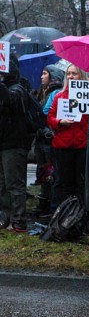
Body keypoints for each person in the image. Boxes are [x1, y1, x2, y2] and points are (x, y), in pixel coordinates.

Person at [46, 64, 89, 213]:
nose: (71, 77)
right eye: (68, 74)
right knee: (65, 183)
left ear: (81, 76)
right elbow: (50, 118)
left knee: (81, 183)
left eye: (74, 74)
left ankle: (79, 216)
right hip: (62, 146)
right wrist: (60, 122)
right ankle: (65, 216)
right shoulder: (59, 96)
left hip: (82, 146)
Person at [0, 54, 31, 232]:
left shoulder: (19, 88)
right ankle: (6, 217)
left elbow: (10, 99)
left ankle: (19, 220)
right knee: (3, 184)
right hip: (4, 143)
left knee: (14, 184)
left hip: (14, 144)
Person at [33, 64, 65, 217]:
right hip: (43, 137)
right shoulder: (43, 92)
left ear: (53, 76)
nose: (41, 77)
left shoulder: (56, 93)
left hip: (49, 137)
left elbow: (44, 113)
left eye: (45, 73)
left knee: (49, 171)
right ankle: (44, 201)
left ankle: (48, 203)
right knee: (44, 170)